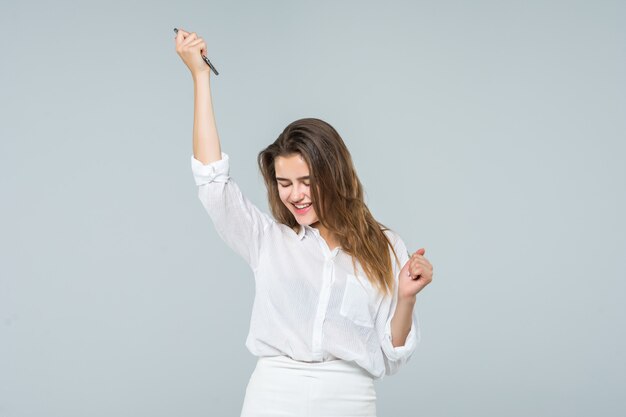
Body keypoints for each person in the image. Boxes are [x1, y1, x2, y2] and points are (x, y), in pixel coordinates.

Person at [175, 28, 433, 417]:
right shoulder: (268, 239)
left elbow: (392, 355)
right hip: (273, 397)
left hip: (349, 400)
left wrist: (407, 297)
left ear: (334, 174)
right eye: (284, 183)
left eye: (307, 182)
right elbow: (212, 181)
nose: (295, 195)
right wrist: (199, 78)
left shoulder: (386, 246)